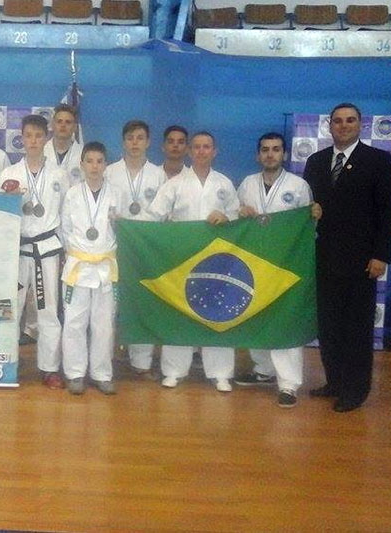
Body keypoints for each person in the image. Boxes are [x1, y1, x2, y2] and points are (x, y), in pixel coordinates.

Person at [304, 103, 391, 412]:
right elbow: (306, 207)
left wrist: (381, 255)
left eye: (350, 120)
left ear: (360, 125)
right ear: (329, 126)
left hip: (361, 261)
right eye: (338, 121)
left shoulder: (379, 161)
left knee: (356, 328)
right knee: (329, 326)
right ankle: (335, 381)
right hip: (323, 258)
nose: (343, 125)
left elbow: (387, 212)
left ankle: (355, 391)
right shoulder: (315, 162)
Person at [145, 131, 239, 392]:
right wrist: (128, 226)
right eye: (196, 147)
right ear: (189, 151)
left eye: (206, 147)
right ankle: (173, 370)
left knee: (217, 312)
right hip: (181, 257)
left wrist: (228, 217)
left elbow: (237, 215)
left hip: (216, 259)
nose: (201, 151)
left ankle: (220, 373)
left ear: (214, 151)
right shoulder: (175, 184)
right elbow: (153, 216)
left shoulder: (224, 183)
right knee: (179, 311)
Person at [235, 132, 321, 408]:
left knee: (285, 322)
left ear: (284, 154)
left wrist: (314, 215)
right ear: (257, 155)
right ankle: (264, 370)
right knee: (256, 315)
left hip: (287, 263)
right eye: (265, 149)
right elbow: (237, 220)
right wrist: (241, 213)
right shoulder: (247, 184)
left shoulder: (298, 185)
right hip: (255, 261)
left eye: (275, 149)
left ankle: (289, 384)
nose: (270, 154)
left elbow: (307, 226)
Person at [0, 114, 70, 389]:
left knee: (48, 310)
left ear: (46, 138)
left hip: (47, 249)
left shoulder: (60, 175)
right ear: (22, 138)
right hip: (16, 249)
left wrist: (66, 250)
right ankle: (7, 364)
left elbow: (66, 215)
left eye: (38, 136)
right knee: (11, 307)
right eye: (28, 135)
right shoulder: (9, 174)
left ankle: (50, 368)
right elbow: (0, 215)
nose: (33, 141)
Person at [106, 120, 166, 377]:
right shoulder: (109, 172)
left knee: (142, 301)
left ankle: (141, 361)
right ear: (123, 142)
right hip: (113, 245)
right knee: (110, 303)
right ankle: (105, 357)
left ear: (148, 142)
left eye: (140, 137)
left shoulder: (158, 174)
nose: (135, 142)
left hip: (144, 247)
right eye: (130, 138)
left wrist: (140, 230)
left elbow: (162, 212)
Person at [61, 142, 120, 395]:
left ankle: (102, 373)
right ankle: (75, 373)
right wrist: (76, 252)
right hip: (78, 266)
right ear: (82, 164)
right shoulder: (72, 194)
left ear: (105, 165)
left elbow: (122, 228)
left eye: (99, 161)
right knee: (74, 321)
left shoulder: (116, 194)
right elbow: (64, 229)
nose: (94, 166)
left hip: (106, 266)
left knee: (104, 324)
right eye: (90, 161)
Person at [44, 104, 83, 186]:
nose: (63, 125)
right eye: (59, 121)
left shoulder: (84, 156)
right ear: (52, 125)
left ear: (75, 127)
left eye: (68, 122)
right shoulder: (41, 152)